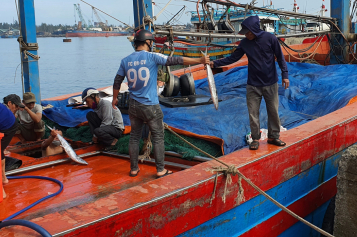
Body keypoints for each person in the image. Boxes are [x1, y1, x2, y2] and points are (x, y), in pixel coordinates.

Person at [111, 29, 209, 177]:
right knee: (158, 136)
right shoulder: (152, 56)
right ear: (147, 42)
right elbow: (175, 60)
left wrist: (114, 98)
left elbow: (117, 81)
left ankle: (133, 169)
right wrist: (199, 61)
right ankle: (160, 169)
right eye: (151, 42)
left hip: (133, 105)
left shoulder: (125, 61)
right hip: (150, 105)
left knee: (134, 137)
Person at [209, 15, 290, 150]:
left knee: (273, 111)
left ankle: (273, 136)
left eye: (248, 32)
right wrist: (214, 63)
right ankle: (255, 139)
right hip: (253, 85)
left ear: (254, 30)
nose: (246, 35)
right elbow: (232, 58)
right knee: (253, 113)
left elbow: (281, 58)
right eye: (245, 33)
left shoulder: (270, 39)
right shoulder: (245, 43)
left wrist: (285, 75)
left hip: (271, 83)